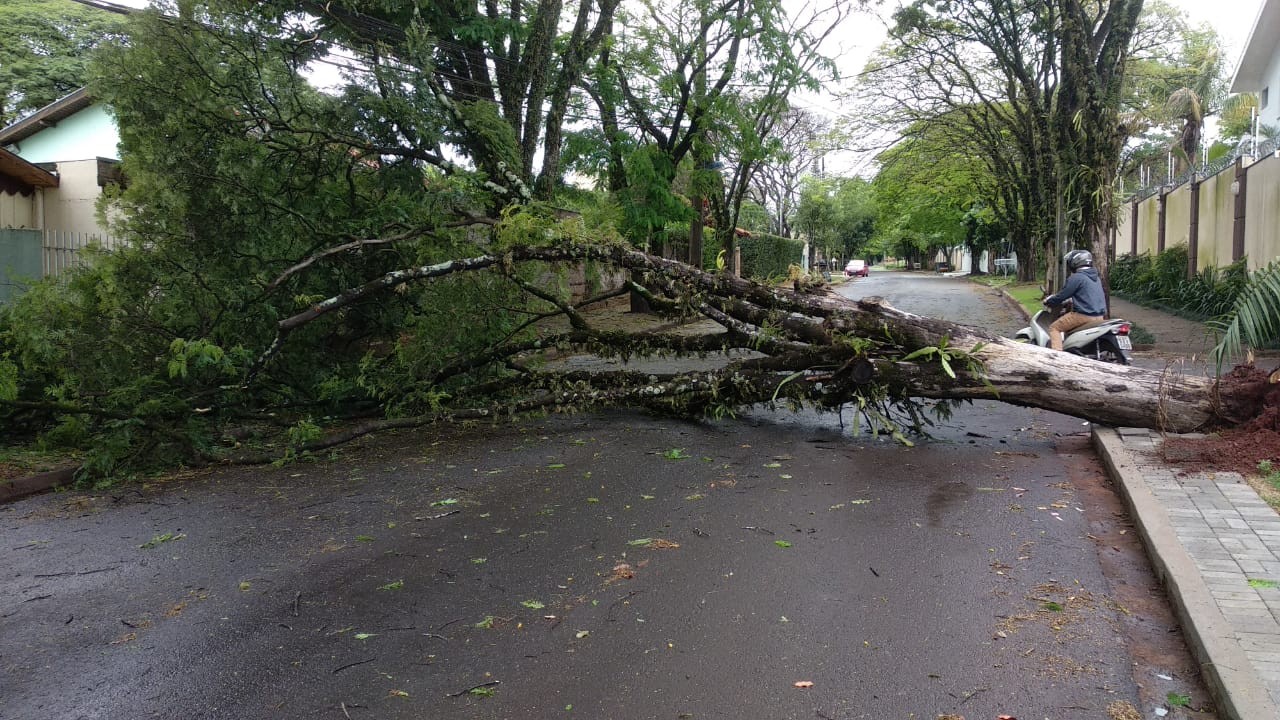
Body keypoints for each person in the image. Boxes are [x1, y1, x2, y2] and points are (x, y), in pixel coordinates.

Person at [1043, 249, 1106, 351]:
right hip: (1099, 317)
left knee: (1054, 328)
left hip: (1083, 315)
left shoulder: (1077, 277)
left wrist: (1049, 301)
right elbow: (1087, 295)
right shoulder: (1096, 278)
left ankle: (1057, 356)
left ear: (1075, 262)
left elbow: (1062, 295)